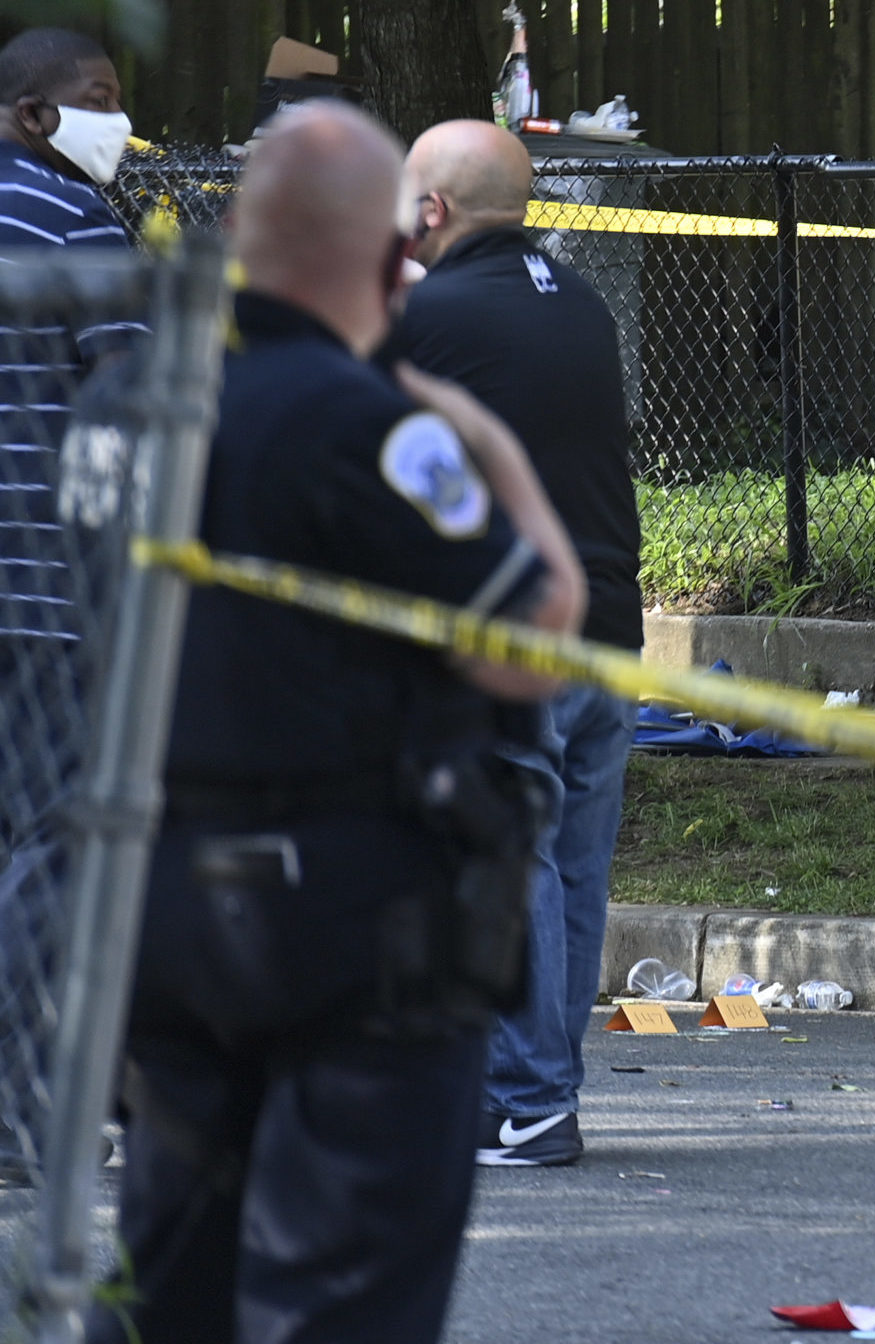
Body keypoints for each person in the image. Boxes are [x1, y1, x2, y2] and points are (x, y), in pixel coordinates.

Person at [92, 102, 584, 1344]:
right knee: (344, 1293)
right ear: (387, 259)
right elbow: (536, 637)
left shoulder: (123, 405)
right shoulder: (371, 425)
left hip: (147, 904)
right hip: (350, 927)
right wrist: (463, 423)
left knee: (168, 1284)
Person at [389, 119, 643, 1168]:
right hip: (609, 625)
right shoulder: (574, 303)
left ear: (433, 212)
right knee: (573, 865)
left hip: (515, 633)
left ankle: (530, 1099)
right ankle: (546, 1088)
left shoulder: (430, 314)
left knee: (517, 857)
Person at [0, 25, 138, 1185]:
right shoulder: (79, 225)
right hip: (48, 596)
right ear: (32, 113)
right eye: (98, 98)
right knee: (45, 850)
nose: (117, 121)